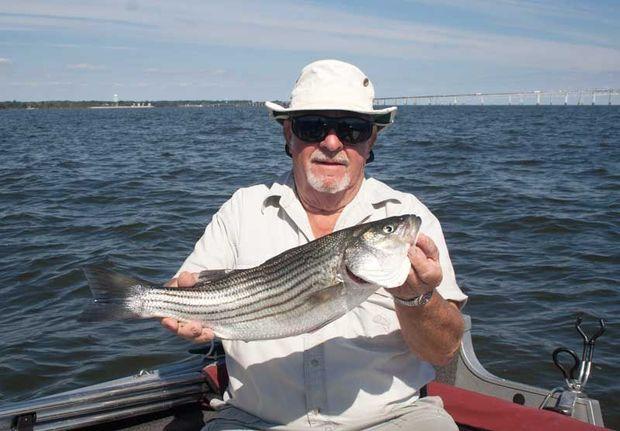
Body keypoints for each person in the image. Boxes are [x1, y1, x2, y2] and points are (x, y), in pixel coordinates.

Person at [162, 59, 467, 430]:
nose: (332, 143)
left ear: (372, 139)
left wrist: (415, 297)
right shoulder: (242, 209)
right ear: (288, 135)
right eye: (312, 127)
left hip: (393, 418)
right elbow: (185, 291)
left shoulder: (408, 214)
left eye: (353, 130)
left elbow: (443, 350)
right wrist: (176, 307)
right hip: (256, 420)